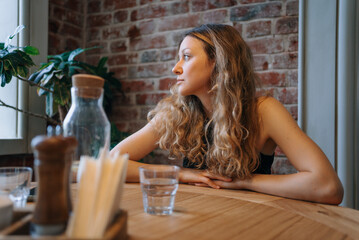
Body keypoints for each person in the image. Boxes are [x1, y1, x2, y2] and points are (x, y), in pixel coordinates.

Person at [111, 24, 343, 205]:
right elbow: (111, 163)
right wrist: (180, 174)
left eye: (187, 56)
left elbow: (328, 187)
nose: (176, 68)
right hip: (197, 217)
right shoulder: (176, 112)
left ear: (218, 62)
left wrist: (246, 181)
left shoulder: (264, 111)